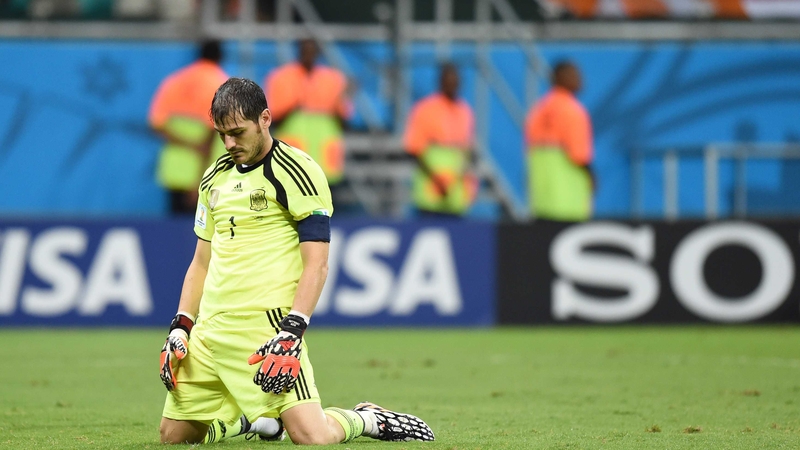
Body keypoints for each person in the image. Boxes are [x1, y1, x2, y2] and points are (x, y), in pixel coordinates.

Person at [158, 77, 435, 445]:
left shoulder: (298, 171)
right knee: (174, 439)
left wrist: (291, 331)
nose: (229, 144)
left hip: (266, 329)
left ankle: (366, 418)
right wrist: (181, 325)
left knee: (312, 436)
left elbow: (317, 263)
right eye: (222, 134)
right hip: (210, 331)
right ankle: (253, 423)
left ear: (265, 119)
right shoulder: (213, 177)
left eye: (238, 133)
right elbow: (201, 261)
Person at [264, 39, 353, 206]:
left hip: (323, 158)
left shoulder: (333, 79)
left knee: (324, 206)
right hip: (293, 157)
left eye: (312, 50)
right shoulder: (282, 78)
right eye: (305, 50)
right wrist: (295, 104)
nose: (309, 55)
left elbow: (343, 118)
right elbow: (273, 118)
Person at [148, 39, 229, 215]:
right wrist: (199, 181)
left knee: (175, 227)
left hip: (174, 171)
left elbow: (156, 125)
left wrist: (187, 144)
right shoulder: (221, 85)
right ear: (221, 56)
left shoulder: (174, 81)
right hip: (206, 174)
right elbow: (209, 141)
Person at [403, 63, 477, 217]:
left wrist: (468, 185)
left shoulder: (465, 111)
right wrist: (436, 180)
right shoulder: (425, 109)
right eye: (449, 81)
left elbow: (467, 151)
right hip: (430, 193)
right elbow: (414, 148)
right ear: (440, 82)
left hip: (455, 196)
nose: (452, 85)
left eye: (455, 82)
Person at [524, 61, 594, 222]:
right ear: (557, 78)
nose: (579, 79)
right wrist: (592, 175)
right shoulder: (573, 110)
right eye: (573, 74)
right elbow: (579, 155)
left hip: (541, 198)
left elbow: (530, 147)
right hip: (568, 200)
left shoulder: (538, 110)